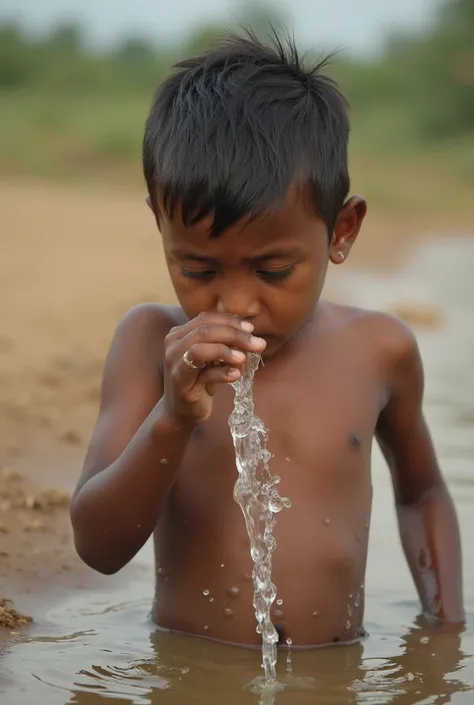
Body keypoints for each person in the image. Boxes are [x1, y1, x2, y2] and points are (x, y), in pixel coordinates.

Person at [70, 29, 464, 648]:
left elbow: (422, 495)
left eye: (273, 271)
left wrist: (446, 632)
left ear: (341, 230)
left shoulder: (379, 350)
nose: (235, 303)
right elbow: (98, 548)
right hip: (193, 674)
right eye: (197, 270)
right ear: (159, 224)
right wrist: (172, 419)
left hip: (334, 673)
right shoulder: (151, 342)